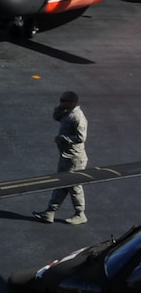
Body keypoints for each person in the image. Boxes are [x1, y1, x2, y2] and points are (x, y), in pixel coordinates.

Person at [37, 91, 90, 224]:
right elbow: (56, 117)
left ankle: (80, 214)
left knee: (74, 186)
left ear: (72, 102)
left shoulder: (78, 117)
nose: (60, 102)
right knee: (61, 184)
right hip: (66, 157)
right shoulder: (67, 112)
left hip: (75, 158)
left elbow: (81, 137)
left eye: (63, 100)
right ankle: (50, 212)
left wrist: (62, 139)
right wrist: (60, 107)